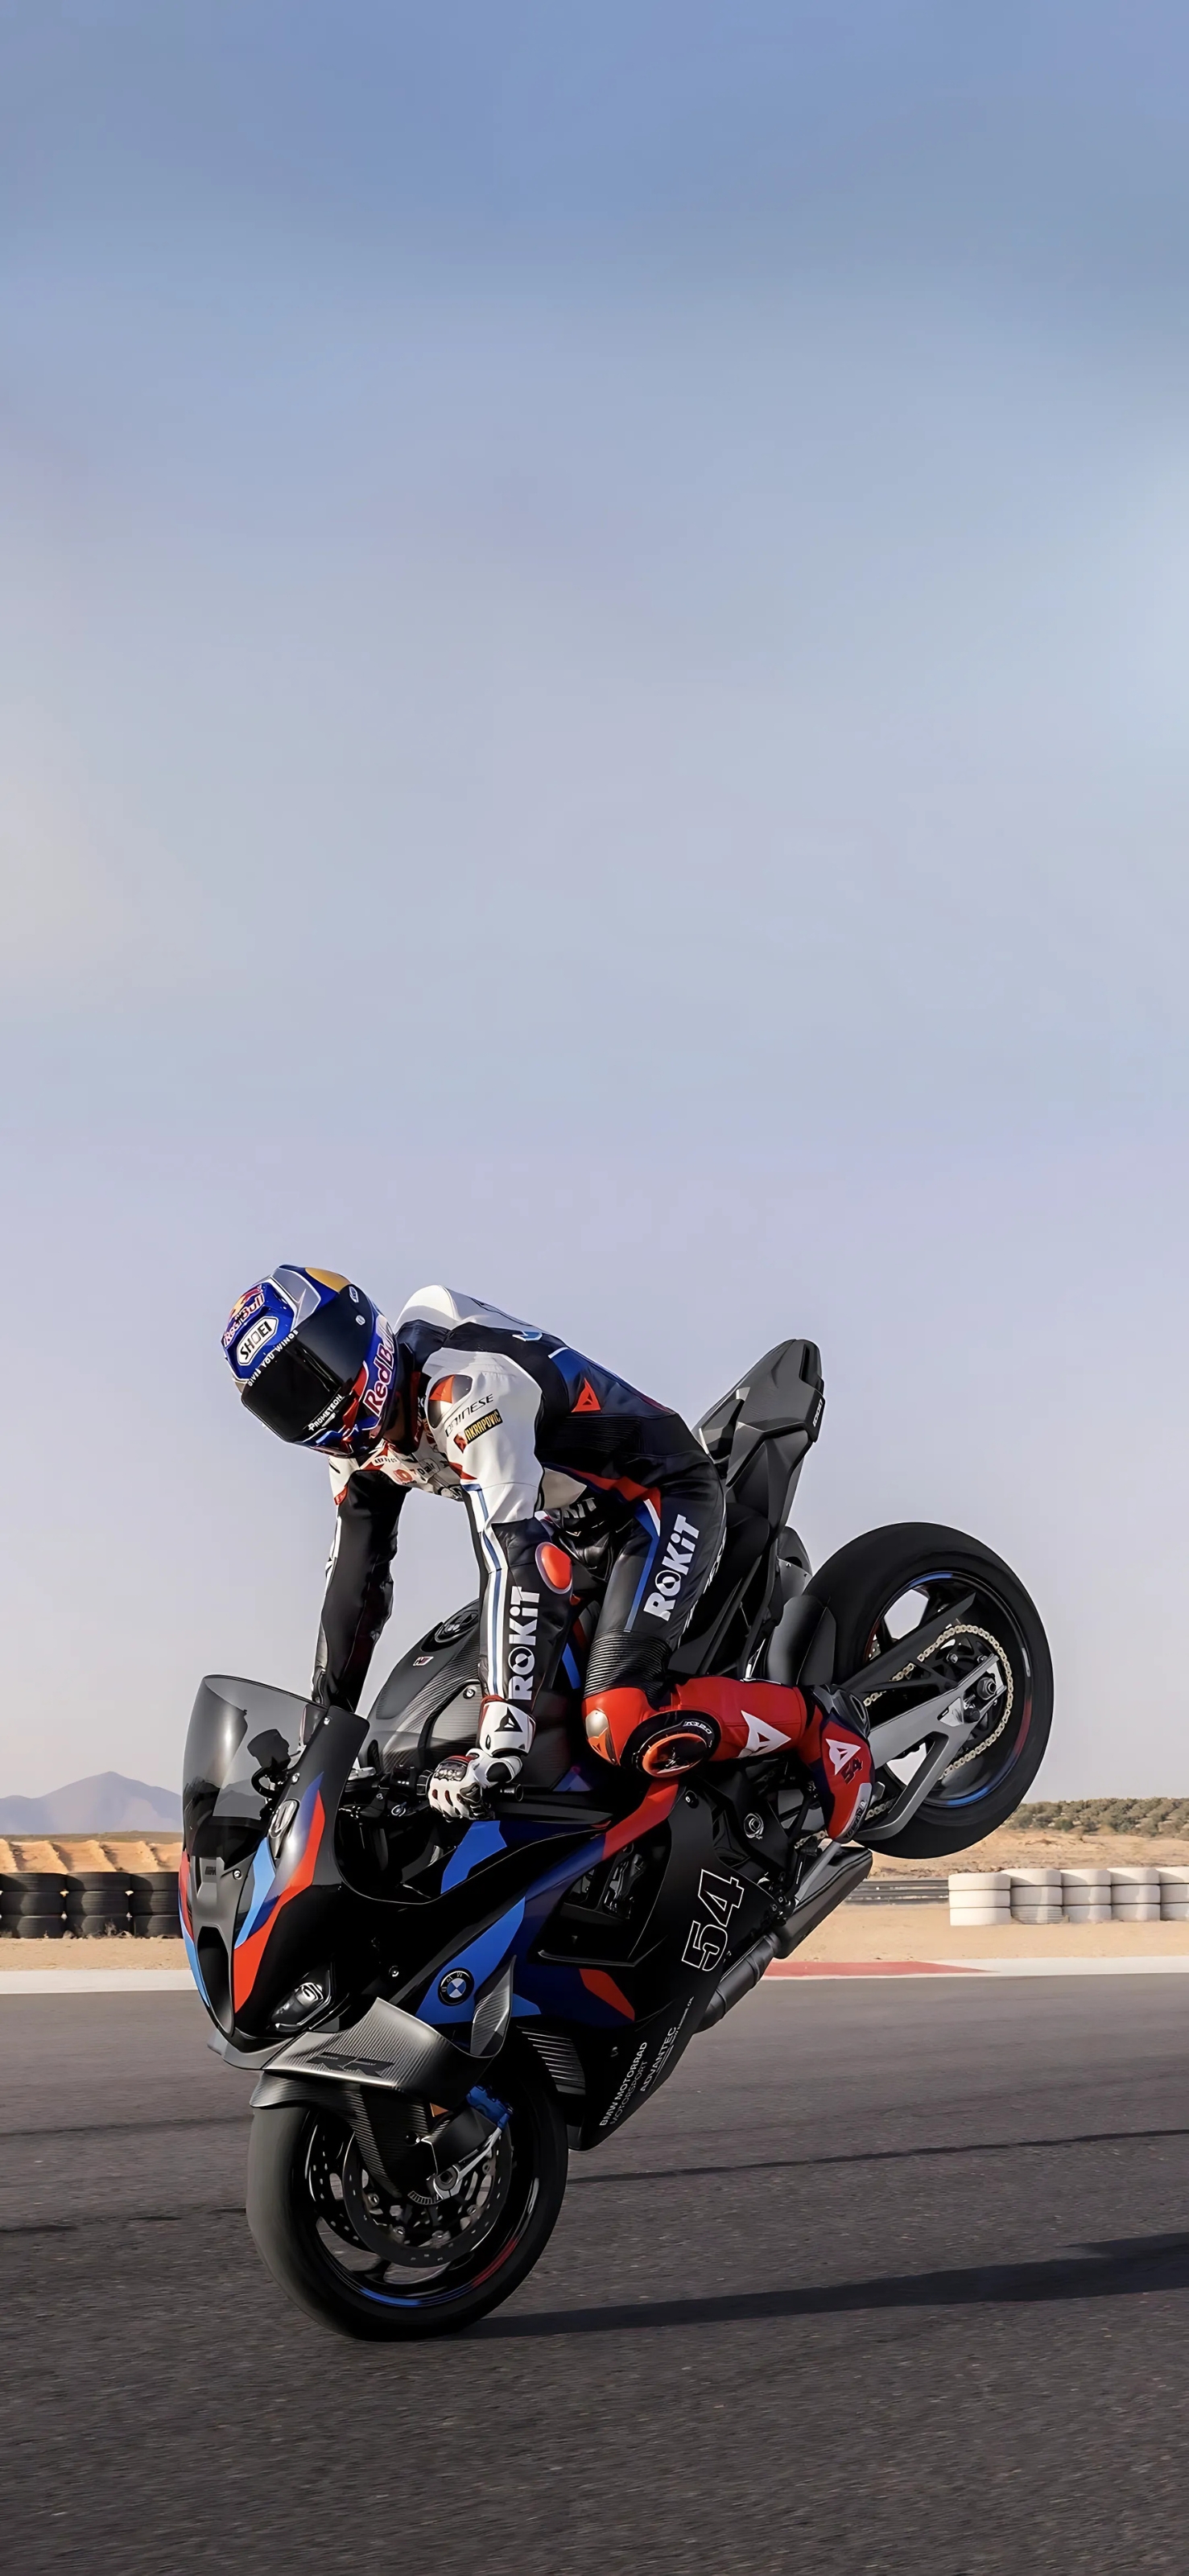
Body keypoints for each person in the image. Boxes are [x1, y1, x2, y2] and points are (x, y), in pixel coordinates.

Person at [222, 1268, 872, 1832]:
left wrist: (503, 1731)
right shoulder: (357, 1454)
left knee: (615, 1720)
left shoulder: (463, 1392)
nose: (319, 1404)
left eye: (318, 1369)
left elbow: (513, 1559)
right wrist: (322, 1736)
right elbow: (354, 1592)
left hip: (657, 1501)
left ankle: (820, 1725)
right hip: (570, 1528)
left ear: (358, 1329)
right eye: (286, 1399)